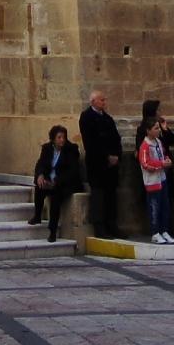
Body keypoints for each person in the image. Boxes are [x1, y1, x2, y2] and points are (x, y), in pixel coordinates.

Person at [79, 90, 123, 238]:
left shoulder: (108, 119)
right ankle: (99, 227)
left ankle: (112, 224)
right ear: (93, 102)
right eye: (101, 100)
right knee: (98, 197)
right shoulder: (86, 118)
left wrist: (116, 155)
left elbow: (116, 138)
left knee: (111, 196)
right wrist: (106, 157)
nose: (104, 102)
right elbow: (91, 143)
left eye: (104, 100)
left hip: (111, 167)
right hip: (97, 165)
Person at [30, 124, 83, 242]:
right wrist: (40, 175)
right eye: (59, 137)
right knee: (40, 187)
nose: (62, 140)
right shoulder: (47, 148)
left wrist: (56, 182)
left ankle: (52, 230)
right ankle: (37, 215)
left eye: (63, 137)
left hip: (65, 183)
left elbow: (72, 171)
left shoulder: (71, 149)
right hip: (51, 181)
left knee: (55, 196)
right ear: (53, 139)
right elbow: (41, 164)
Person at [137, 116, 174, 244]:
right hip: (152, 181)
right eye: (156, 128)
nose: (158, 130)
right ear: (148, 130)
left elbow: (163, 154)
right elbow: (145, 163)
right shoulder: (145, 145)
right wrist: (161, 164)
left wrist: (167, 160)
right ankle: (155, 232)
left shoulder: (158, 142)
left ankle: (164, 230)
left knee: (165, 206)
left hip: (162, 178)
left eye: (158, 128)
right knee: (154, 208)